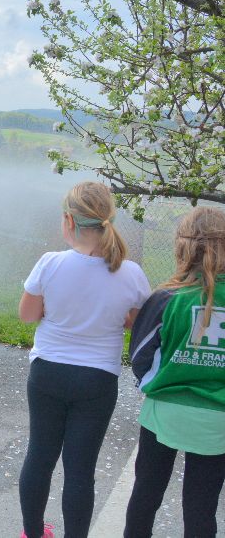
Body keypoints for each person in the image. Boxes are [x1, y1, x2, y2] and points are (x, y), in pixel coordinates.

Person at [17, 181, 150, 538]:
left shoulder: (50, 263)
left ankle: (32, 533)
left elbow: (27, 315)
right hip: (97, 380)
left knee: (39, 457)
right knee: (80, 470)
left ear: (69, 221)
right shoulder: (132, 273)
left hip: (48, 373)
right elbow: (137, 324)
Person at [123, 206, 225, 538]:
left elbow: (139, 355)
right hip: (218, 420)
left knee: (145, 495)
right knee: (201, 508)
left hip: (164, 413)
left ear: (182, 245)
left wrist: (155, 382)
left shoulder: (167, 297)